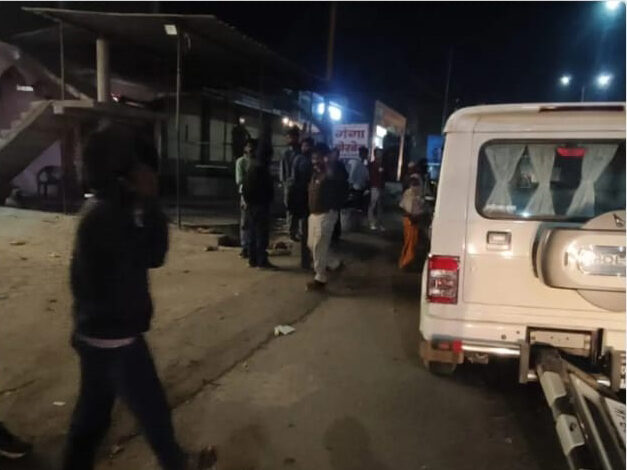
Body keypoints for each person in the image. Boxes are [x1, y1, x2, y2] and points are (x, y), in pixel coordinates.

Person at [63, 124, 216, 470]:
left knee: (94, 418)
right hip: (114, 338)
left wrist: (145, 203)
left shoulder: (105, 209)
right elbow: (153, 254)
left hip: (98, 334)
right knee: (149, 410)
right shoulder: (106, 216)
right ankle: (177, 463)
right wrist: (148, 201)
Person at [307, 144, 347, 291]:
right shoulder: (316, 173)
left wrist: (329, 164)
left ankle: (320, 278)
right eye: (313, 158)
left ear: (325, 157)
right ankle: (334, 263)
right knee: (312, 244)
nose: (314, 161)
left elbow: (340, 186)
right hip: (314, 214)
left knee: (319, 246)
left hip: (326, 214)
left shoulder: (333, 172)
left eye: (317, 158)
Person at [242, 133, 275, 270]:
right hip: (260, 205)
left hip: (251, 205)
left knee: (252, 233)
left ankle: (252, 259)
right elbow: (268, 189)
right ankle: (261, 261)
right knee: (261, 233)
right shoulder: (262, 169)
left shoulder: (252, 167)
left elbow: (245, 188)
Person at [289, 137, 314, 269]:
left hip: (311, 197)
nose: (306, 148)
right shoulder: (299, 160)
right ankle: (305, 260)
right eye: (304, 145)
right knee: (305, 229)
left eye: (308, 146)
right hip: (302, 197)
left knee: (309, 230)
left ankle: (308, 258)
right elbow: (294, 179)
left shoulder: (312, 160)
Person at [399, 173, 428, 270]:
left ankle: (406, 262)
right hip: (411, 221)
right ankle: (406, 262)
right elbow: (408, 208)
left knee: (411, 243)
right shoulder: (410, 193)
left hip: (412, 220)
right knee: (410, 243)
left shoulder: (414, 194)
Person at [235, 138, 257, 259]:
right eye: (248, 146)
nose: (250, 149)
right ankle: (244, 247)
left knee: (254, 221)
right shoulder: (241, 161)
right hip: (245, 193)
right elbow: (239, 180)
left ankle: (251, 246)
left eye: (252, 146)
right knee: (245, 222)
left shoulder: (256, 161)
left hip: (256, 194)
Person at [279, 126, 301, 240]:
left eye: (291, 137)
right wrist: (284, 183)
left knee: (298, 208)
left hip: (299, 184)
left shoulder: (300, 151)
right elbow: (282, 169)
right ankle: (292, 231)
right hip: (289, 184)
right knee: (290, 208)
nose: (289, 139)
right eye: (288, 137)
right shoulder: (286, 153)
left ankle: (296, 231)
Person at [326, 147, 349, 243]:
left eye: (337, 154)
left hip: (337, 194)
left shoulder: (339, 165)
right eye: (334, 154)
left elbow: (346, 176)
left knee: (336, 215)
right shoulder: (328, 165)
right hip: (330, 194)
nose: (335, 156)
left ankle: (335, 234)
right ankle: (332, 234)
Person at [368, 147, 385, 231]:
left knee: (380, 206)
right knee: (373, 205)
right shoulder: (372, 165)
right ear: (375, 155)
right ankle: (372, 222)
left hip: (381, 187)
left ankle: (380, 223)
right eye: (378, 153)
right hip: (374, 187)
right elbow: (370, 176)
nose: (380, 155)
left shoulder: (383, 164)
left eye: (380, 153)